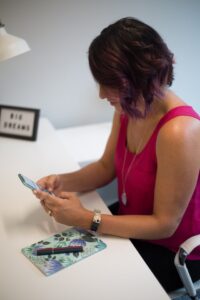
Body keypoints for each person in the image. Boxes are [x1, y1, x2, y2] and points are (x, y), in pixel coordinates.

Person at [33, 17, 200, 292]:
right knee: (49, 261)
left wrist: (85, 219)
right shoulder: (127, 110)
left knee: (84, 285)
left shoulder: (179, 131)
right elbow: (105, 167)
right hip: (131, 222)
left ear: (139, 78)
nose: (100, 94)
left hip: (169, 249)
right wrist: (60, 181)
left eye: (109, 83)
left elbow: (165, 225)